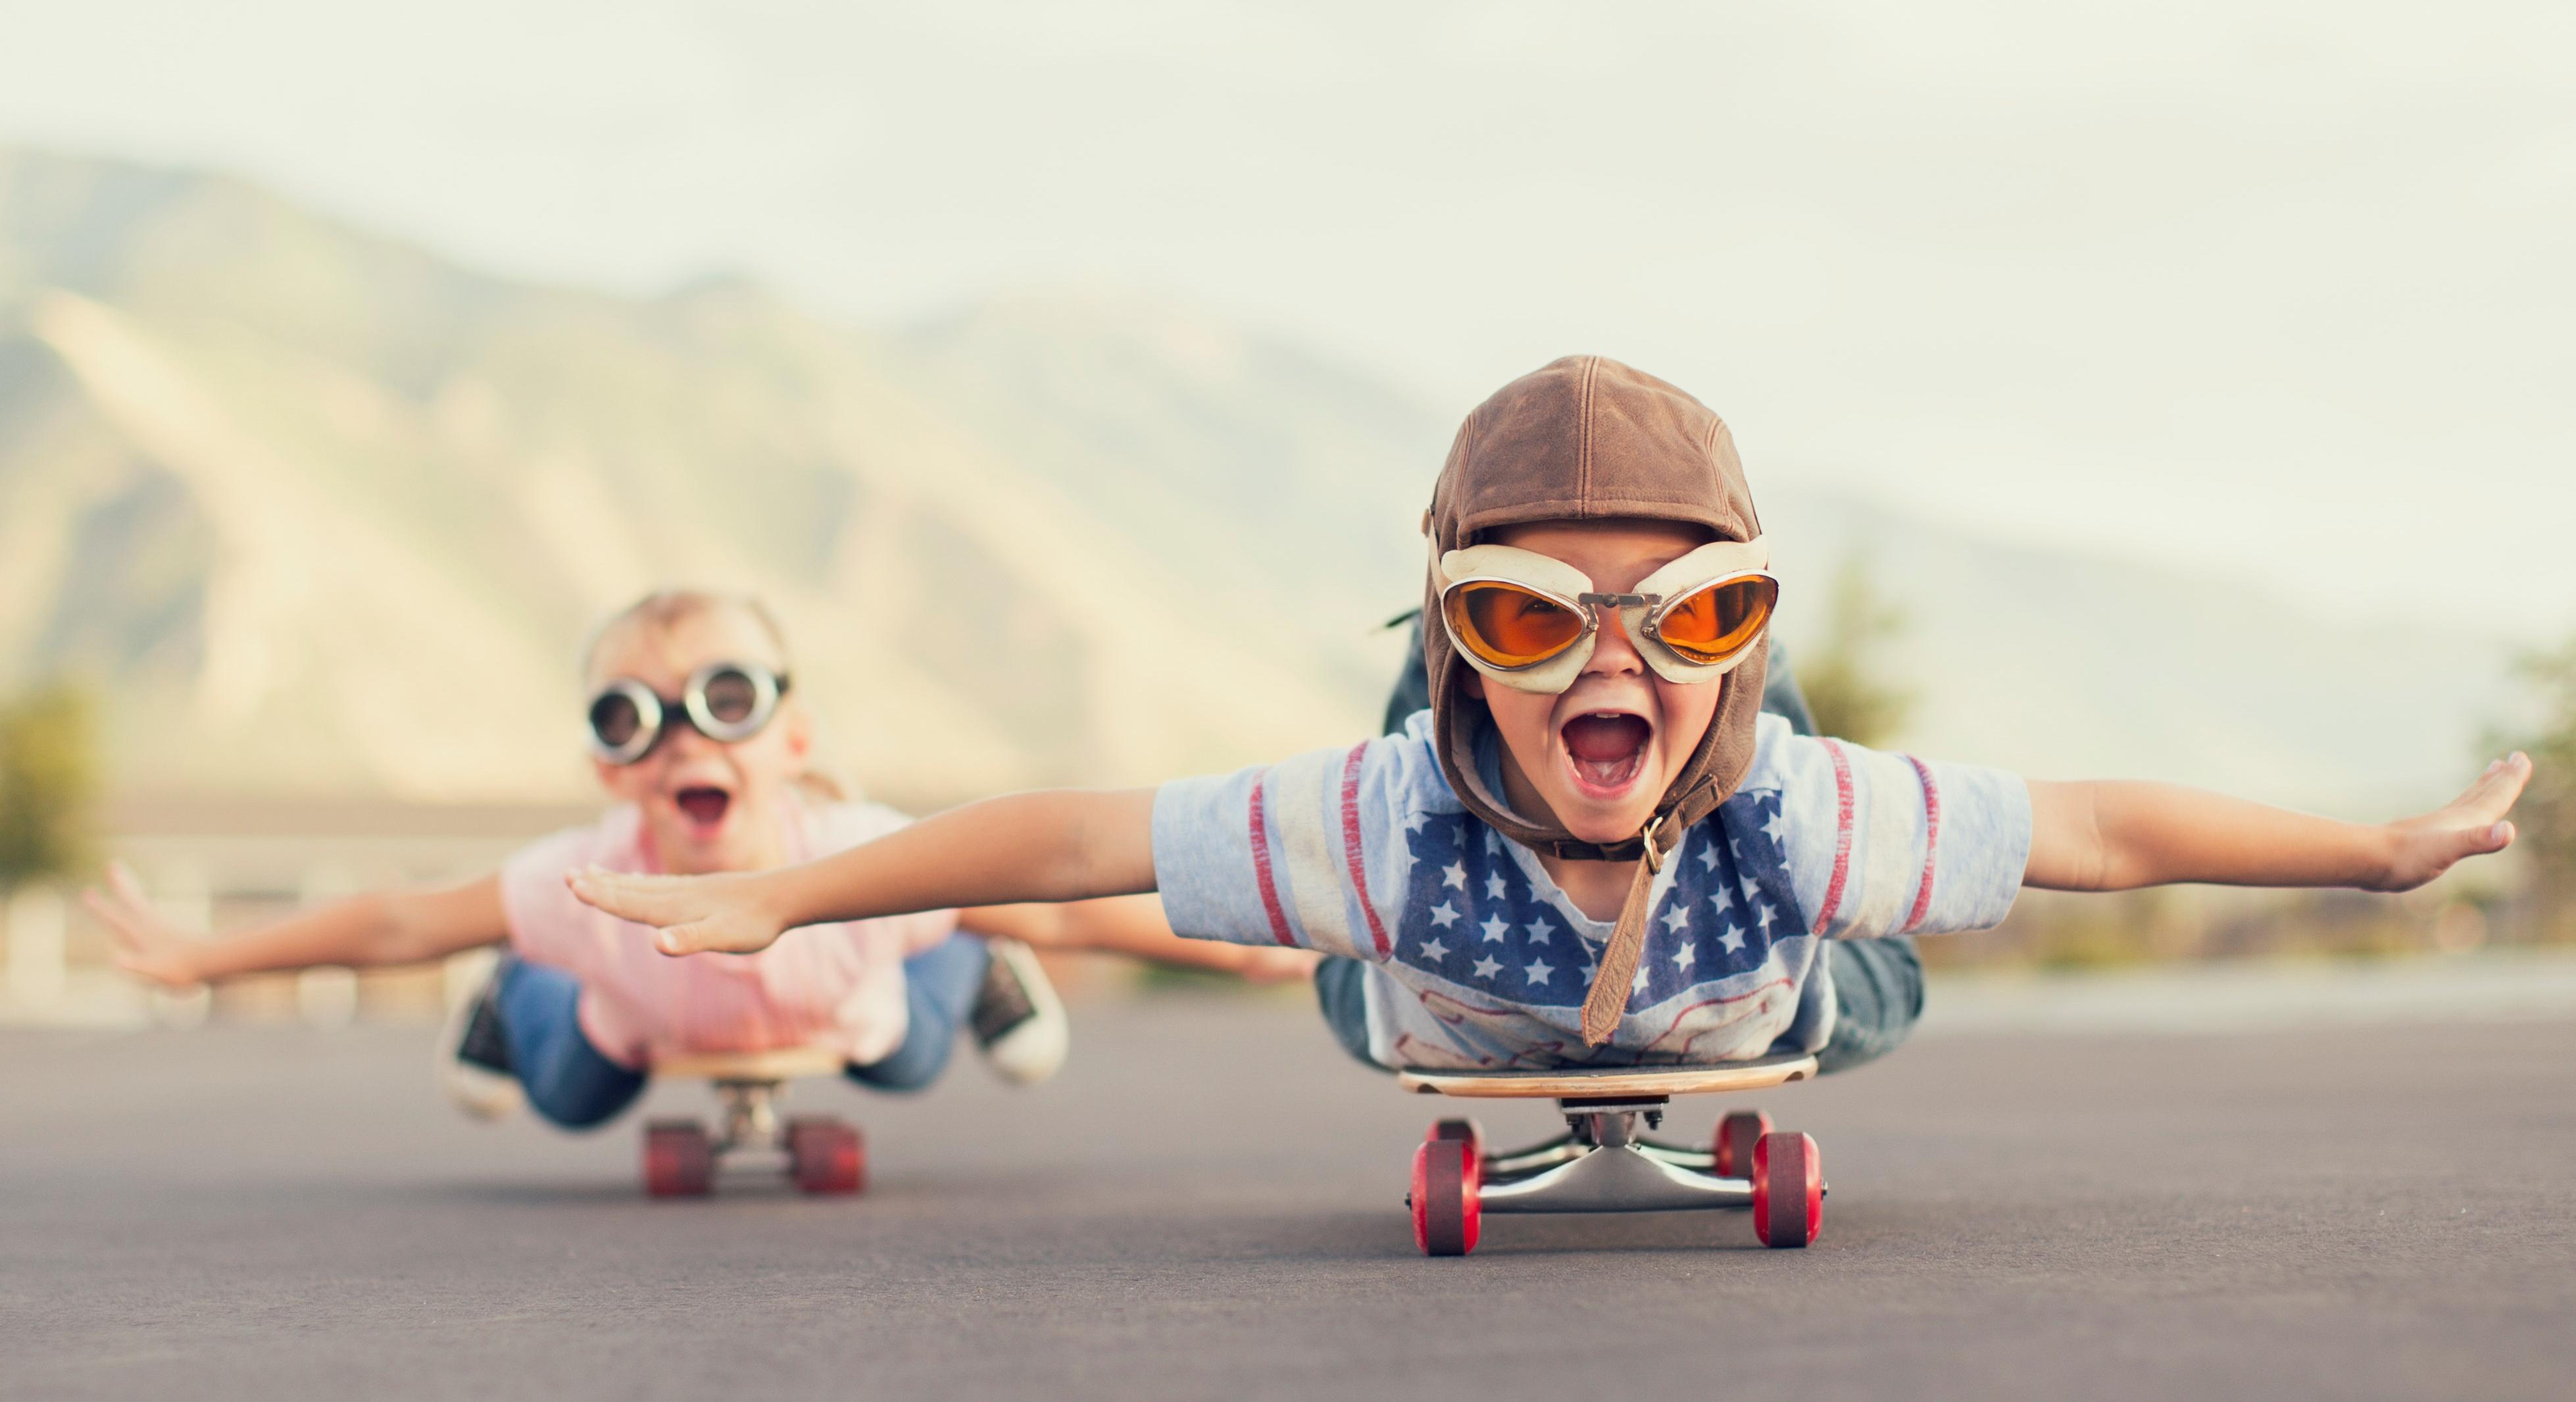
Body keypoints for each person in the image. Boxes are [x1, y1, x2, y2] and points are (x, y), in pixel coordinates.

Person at [562, 358, 2528, 1076]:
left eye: (1688, 609)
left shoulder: (1808, 822)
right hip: (1431, 974)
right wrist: (786, 899)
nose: (1608, 654)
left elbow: (2097, 828)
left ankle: (1691, 676)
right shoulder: (1368, 824)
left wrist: (2368, 849)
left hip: (1752, 973)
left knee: (1856, 949)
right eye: (1521, 606)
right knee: (1357, 908)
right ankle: (1506, 665)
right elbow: (1072, 835)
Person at [89, 589, 1310, 1128]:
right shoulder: (588, 882)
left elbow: (1066, 913)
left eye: (722, 698)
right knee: (568, 1097)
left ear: (790, 739)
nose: (681, 736)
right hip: (636, 1022)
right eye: (633, 716)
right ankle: (514, 1002)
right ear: (611, 766)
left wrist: (1245, 945)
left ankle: (964, 972)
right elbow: (403, 926)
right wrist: (212, 958)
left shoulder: (857, 858)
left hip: (851, 1005)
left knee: (915, 1040)